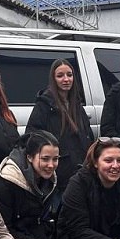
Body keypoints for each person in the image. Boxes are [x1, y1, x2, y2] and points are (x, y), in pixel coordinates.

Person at [26, 59, 94, 190]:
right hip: (58, 170)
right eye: (60, 76)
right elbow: (32, 134)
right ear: (53, 79)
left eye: (69, 75)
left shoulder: (77, 104)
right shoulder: (44, 104)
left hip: (81, 168)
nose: (66, 79)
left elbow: (88, 136)